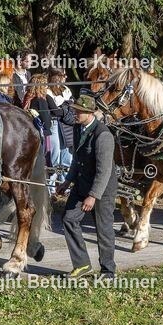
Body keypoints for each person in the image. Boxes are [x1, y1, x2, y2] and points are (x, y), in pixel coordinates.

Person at [56, 94, 119, 279]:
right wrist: (67, 181)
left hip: (102, 189)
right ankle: (82, 265)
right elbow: (77, 159)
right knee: (69, 218)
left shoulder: (103, 135)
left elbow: (104, 171)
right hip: (82, 183)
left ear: (90, 113)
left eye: (79, 111)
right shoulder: (78, 128)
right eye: (75, 110)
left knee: (103, 228)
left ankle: (108, 270)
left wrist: (93, 196)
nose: (75, 114)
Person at [47, 69, 74, 187]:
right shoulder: (48, 91)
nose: (66, 77)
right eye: (63, 75)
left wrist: (64, 106)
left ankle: (64, 185)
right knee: (55, 156)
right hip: (54, 124)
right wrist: (66, 106)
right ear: (56, 77)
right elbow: (55, 111)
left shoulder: (66, 89)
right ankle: (51, 187)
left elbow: (72, 106)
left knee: (67, 156)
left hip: (66, 125)